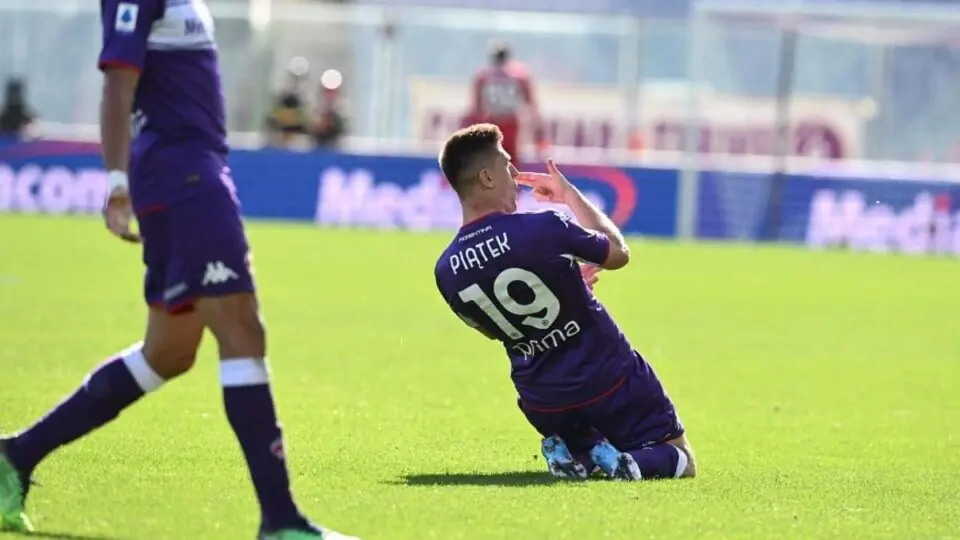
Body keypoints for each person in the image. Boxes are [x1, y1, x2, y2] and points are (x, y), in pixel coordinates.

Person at [0, 2, 357, 539]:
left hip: (191, 171)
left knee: (168, 352)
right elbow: (117, 82)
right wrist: (116, 183)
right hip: (183, 176)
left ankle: (15, 458)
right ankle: (281, 520)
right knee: (242, 330)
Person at [433, 124, 697, 481]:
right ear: (487, 177)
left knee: (583, 435)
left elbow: (496, 329)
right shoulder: (544, 227)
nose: (515, 174)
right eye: (507, 164)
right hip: (609, 378)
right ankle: (629, 464)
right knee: (680, 458)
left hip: (543, 401)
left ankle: (579, 454)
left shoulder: (447, 269)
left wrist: (566, 287)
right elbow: (617, 253)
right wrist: (569, 195)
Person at [468, 40, 546, 164]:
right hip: (509, 122)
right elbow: (531, 105)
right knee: (509, 160)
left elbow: (476, 108)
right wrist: (538, 132)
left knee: (491, 160)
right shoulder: (519, 75)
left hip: (492, 120)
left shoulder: (484, 76)